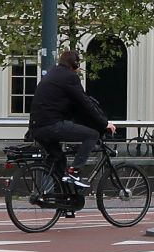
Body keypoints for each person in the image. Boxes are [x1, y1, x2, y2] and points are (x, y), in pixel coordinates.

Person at [26, 49, 113, 189]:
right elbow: (85, 103)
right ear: (75, 64)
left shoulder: (53, 73)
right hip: (51, 125)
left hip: (37, 128)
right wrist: (104, 123)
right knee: (92, 134)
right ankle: (75, 171)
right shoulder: (70, 77)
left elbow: (70, 105)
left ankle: (59, 197)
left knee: (59, 159)